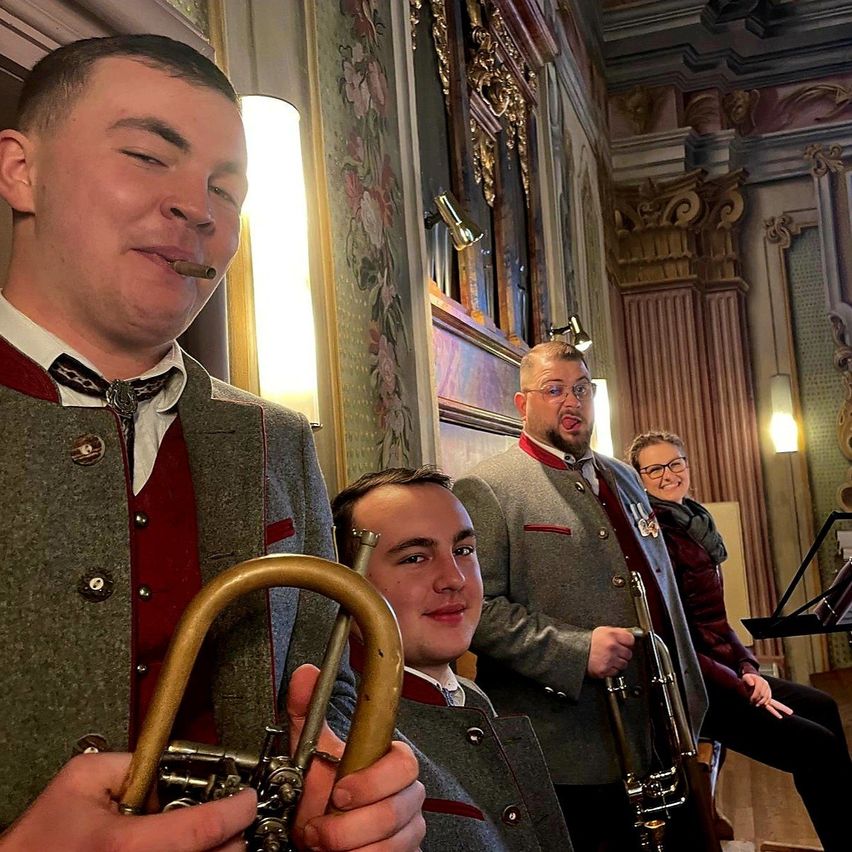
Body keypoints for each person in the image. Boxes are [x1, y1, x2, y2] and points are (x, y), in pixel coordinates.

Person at [0, 35, 424, 850]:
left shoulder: (280, 440)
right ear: (22, 170)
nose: (200, 208)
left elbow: (324, 694)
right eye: (148, 156)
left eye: (226, 190)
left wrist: (357, 796)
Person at [453, 341, 708, 852]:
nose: (572, 402)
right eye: (554, 390)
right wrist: (574, 650)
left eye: (581, 389)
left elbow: (660, 592)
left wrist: (689, 696)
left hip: (658, 727)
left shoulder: (627, 478)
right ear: (523, 404)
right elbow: (476, 612)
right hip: (568, 748)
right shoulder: (487, 488)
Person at [628, 429, 852, 852]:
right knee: (816, 748)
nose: (668, 474)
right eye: (654, 468)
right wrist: (742, 683)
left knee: (822, 706)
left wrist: (749, 666)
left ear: (688, 467)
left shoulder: (695, 524)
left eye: (675, 463)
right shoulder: (655, 539)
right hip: (696, 690)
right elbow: (676, 640)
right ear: (639, 479)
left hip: (725, 673)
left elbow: (717, 622)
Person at [332, 466, 574, 851]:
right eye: (414, 558)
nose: (454, 578)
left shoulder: (470, 696)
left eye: (463, 551)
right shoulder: (338, 734)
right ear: (345, 581)